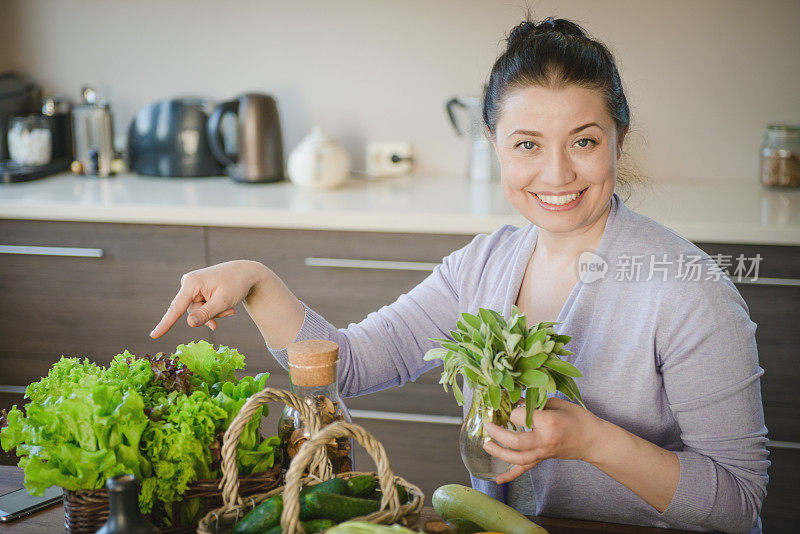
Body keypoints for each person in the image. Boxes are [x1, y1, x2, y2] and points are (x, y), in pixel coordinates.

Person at [150, 17, 768, 533]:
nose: (556, 175)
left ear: (618, 141)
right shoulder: (483, 265)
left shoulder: (687, 289)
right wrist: (258, 282)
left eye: (583, 141)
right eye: (528, 144)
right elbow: (355, 363)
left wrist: (587, 439)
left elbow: (740, 504)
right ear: (495, 144)